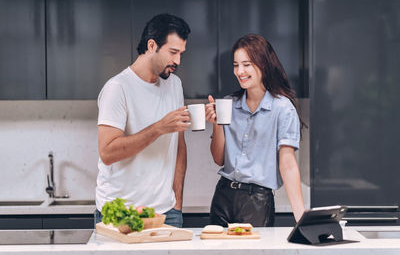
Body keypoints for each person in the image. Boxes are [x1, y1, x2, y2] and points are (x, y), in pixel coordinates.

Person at [95, 13, 191, 228]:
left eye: (181, 53)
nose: (177, 61)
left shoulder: (174, 84)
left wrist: (177, 202)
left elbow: (179, 147)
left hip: (166, 213)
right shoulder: (117, 88)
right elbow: (108, 153)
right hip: (119, 214)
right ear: (151, 45)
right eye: (173, 52)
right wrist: (158, 128)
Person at [206, 34, 305, 226]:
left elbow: (288, 164)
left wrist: (301, 217)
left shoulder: (282, 109)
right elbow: (219, 159)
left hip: (257, 202)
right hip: (222, 196)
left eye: (247, 64)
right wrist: (217, 123)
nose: (239, 71)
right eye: (236, 65)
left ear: (264, 64)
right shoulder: (228, 104)